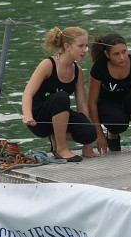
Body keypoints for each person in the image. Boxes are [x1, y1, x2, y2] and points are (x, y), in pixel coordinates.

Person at [21, 27, 96, 162]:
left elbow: (82, 106)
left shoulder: (77, 70)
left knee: (90, 133)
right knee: (62, 96)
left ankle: (56, 135)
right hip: (39, 119)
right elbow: (27, 93)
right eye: (81, 46)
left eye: (86, 45)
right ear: (67, 46)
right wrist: (27, 116)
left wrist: (88, 144)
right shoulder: (48, 64)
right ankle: (61, 149)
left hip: (59, 115)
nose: (85, 50)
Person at [87, 33, 131, 155]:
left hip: (130, 102)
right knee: (118, 124)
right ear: (107, 54)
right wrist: (99, 134)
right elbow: (91, 102)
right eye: (116, 54)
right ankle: (112, 135)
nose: (122, 57)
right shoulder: (99, 68)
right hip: (107, 104)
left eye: (124, 52)